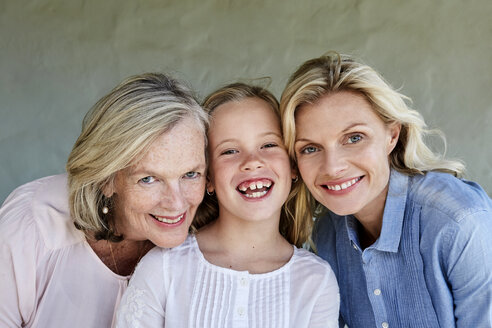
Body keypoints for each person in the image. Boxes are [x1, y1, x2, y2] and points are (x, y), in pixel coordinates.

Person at [279, 52, 492, 327]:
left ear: (392, 135)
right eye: (310, 148)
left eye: (353, 138)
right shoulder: (327, 235)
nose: (332, 167)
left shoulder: (459, 223)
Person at [115, 82, 340, 327]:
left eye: (268, 145)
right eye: (230, 151)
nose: (252, 162)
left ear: (292, 165)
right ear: (207, 177)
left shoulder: (316, 280)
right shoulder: (165, 267)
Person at [0, 73, 209, 327]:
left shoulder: (208, 244)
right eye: (149, 179)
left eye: (190, 174)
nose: (176, 203)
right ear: (106, 179)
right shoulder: (33, 226)